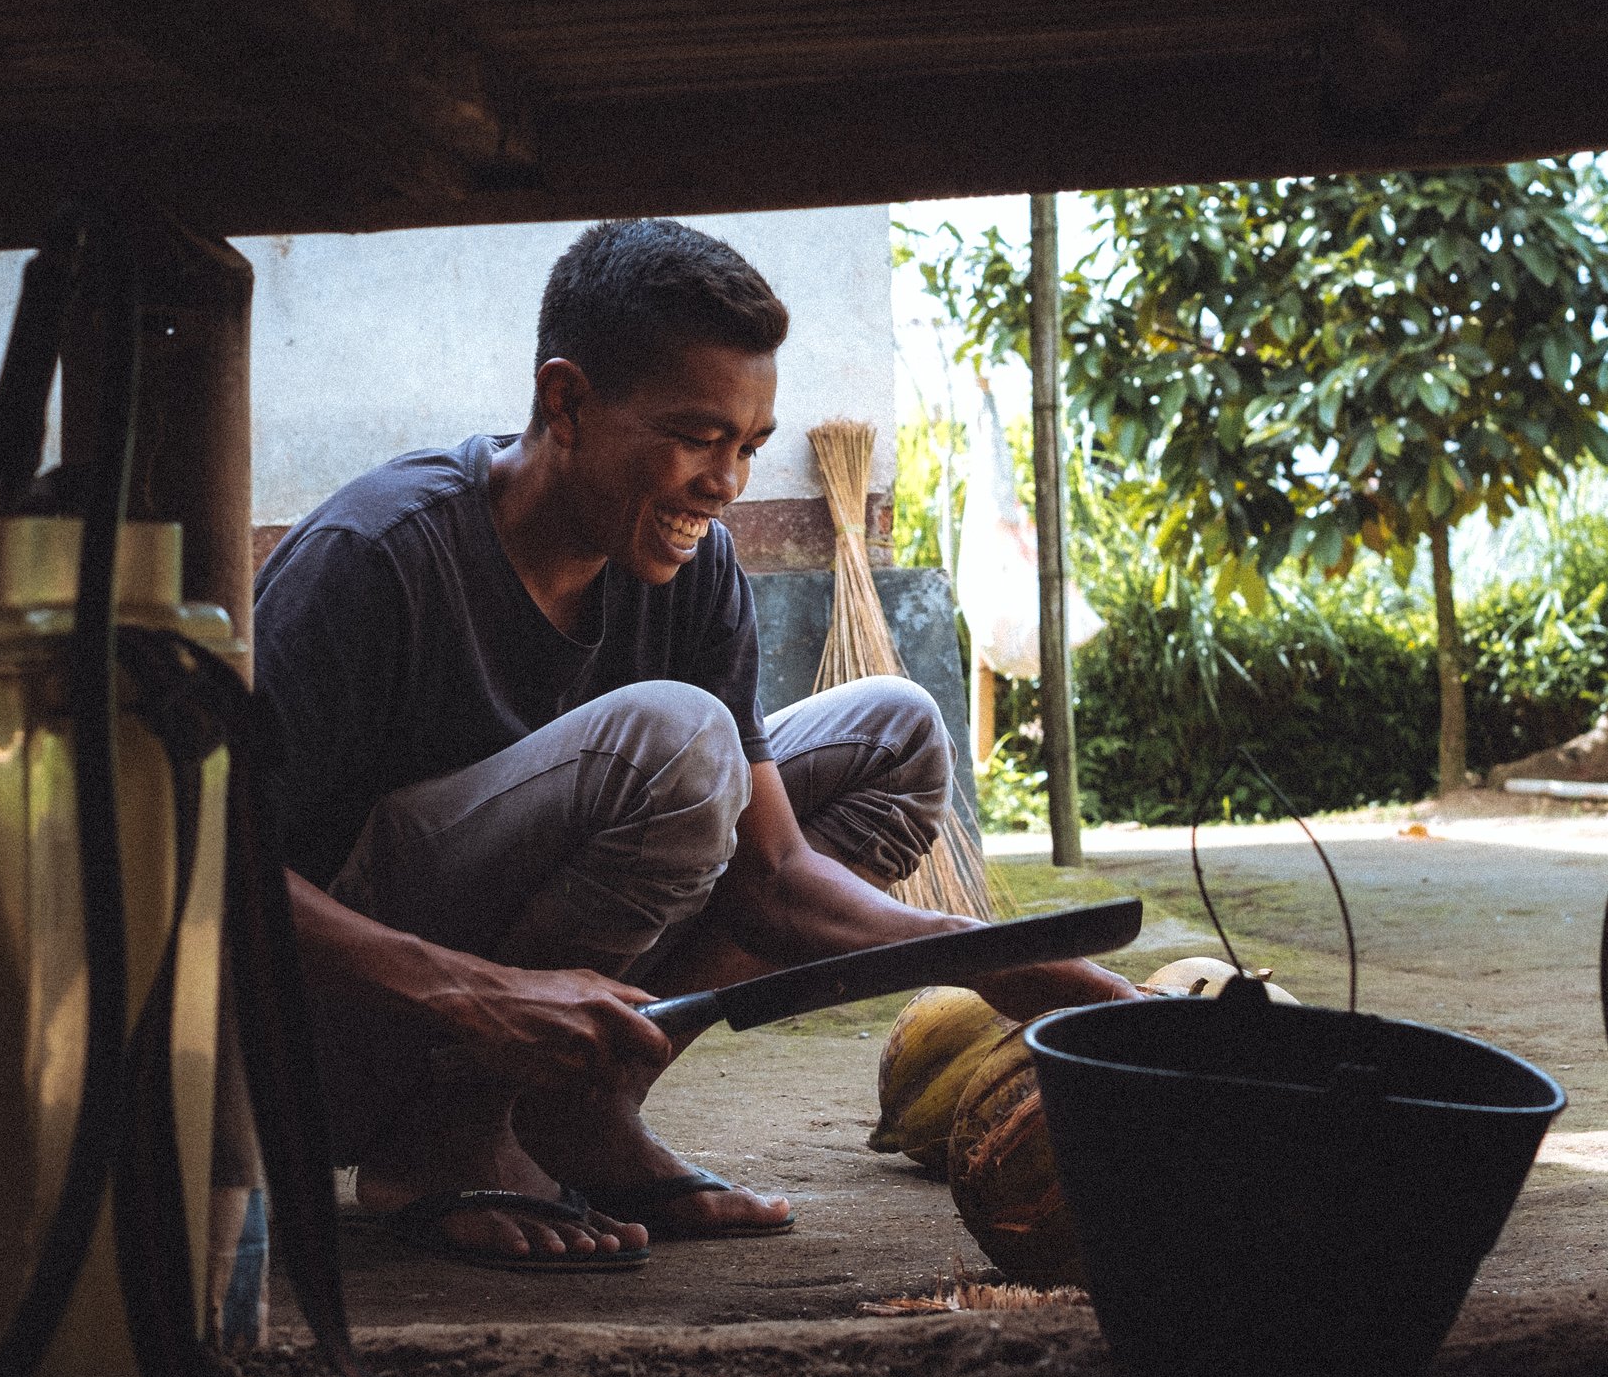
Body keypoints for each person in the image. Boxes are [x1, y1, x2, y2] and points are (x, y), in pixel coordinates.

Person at [255, 218, 1135, 1272]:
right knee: (679, 743)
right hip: (323, 1045)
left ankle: (584, 1104)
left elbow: (773, 878)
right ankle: (445, 1138)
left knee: (894, 734)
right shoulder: (377, 557)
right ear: (565, 402)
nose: (727, 482)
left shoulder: (695, 570)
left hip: (509, 992)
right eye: (694, 435)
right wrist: (471, 992)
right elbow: (188, 864)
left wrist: (998, 958)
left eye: (749, 446)